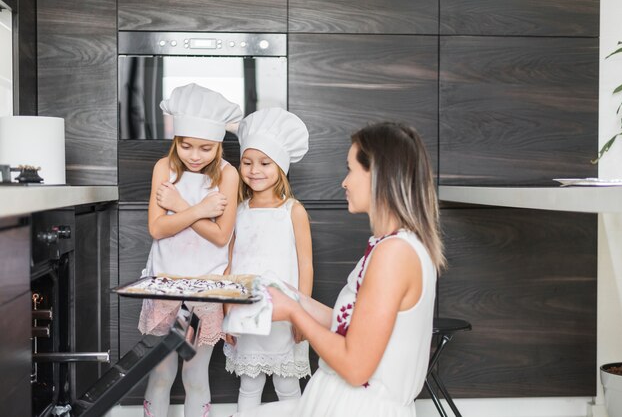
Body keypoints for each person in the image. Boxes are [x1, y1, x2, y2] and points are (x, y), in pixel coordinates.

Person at [234, 121, 446, 417]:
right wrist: (294, 298)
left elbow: (356, 367)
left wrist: (295, 314)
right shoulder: (392, 246)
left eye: (350, 170)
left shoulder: (394, 254)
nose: (344, 182)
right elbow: (357, 327)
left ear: (377, 176)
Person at [137, 83, 242, 417]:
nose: (195, 156)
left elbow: (221, 236)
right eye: (186, 146)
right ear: (176, 141)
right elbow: (157, 228)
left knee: (195, 374)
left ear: (219, 145)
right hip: (166, 284)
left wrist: (180, 207)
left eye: (206, 148)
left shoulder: (228, 175)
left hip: (206, 290)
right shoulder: (163, 169)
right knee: (161, 373)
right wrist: (199, 210)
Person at [223, 108, 313, 412]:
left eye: (264, 163)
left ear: (281, 168)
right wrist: (226, 308)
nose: (254, 170)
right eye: (247, 162)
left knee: (287, 385)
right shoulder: (239, 210)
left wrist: (303, 313)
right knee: (249, 384)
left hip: (285, 315)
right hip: (246, 313)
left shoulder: (293, 211)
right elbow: (231, 260)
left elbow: (306, 265)